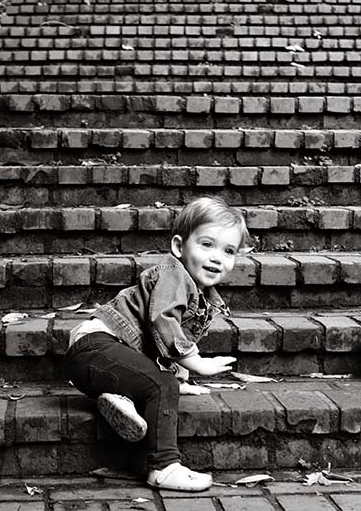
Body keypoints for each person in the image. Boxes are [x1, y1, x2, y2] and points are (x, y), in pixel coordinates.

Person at [61, 196, 249, 491]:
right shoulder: (173, 275)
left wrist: (179, 377)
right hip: (97, 346)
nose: (217, 258)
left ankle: (119, 398)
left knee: (156, 382)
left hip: (99, 359)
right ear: (179, 247)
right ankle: (163, 467)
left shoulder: (199, 293)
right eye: (206, 244)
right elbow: (163, 320)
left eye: (228, 251)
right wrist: (195, 363)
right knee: (161, 386)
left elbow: (162, 340)